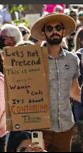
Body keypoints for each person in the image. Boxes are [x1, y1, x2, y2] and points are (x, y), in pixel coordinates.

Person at [31, 13, 81, 152]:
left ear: (63, 31)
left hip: (65, 127)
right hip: (40, 127)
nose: (54, 32)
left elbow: (74, 91)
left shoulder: (72, 59)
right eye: (49, 28)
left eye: (58, 27)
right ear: (44, 33)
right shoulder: (33, 58)